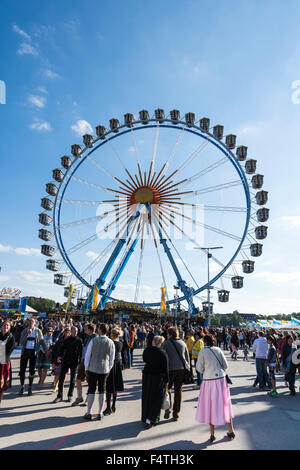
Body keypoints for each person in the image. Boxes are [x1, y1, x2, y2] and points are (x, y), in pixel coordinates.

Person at [195, 334, 235, 443]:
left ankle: (212, 434)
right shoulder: (218, 349)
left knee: (210, 406)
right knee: (225, 404)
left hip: (209, 380)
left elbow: (199, 368)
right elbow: (225, 365)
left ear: (205, 342)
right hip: (221, 380)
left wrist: (205, 369)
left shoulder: (203, 351)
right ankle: (231, 430)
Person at [83, 323, 115, 420]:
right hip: (104, 369)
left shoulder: (94, 340)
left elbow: (88, 355)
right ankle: (100, 413)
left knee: (91, 389)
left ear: (100, 330)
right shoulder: (111, 342)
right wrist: (108, 368)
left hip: (92, 368)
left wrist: (86, 367)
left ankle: (89, 412)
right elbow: (111, 358)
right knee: (102, 390)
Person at [161, 326, 190, 422]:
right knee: (178, 390)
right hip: (181, 369)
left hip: (169, 369)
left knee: (168, 389)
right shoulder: (182, 343)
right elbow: (187, 358)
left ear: (169, 334)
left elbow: (163, 356)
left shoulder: (166, 343)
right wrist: (188, 369)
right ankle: (176, 413)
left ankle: (168, 408)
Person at [142, 335, 169, 429]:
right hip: (158, 377)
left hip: (147, 375)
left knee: (147, 396)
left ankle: (145, 417)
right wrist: (167, 381)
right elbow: (166, 368)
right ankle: (151, 419)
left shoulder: (147, 350)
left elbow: (144, 359)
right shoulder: (163, 353)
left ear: (153, 341)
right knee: (156, 398)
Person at [53, 326, 83, 403]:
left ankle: (70, 395)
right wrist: (59, 356)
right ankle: (59, 395)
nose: (75, 332)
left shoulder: (79, 340)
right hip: (65, 360)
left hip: (74, 362)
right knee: (61, 378)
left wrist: (79, 362)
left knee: (72, 380)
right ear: (71, 331)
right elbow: (62, 349)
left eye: (76, 331)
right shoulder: (67, 340)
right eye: (74, 331)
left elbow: (81, 352)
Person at [19, 318, 47, 396]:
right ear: (28, 323)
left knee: (31, 371)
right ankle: (22, 387)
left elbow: (42, 341)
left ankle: (30, 388)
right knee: (22, 370)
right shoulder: (25, 331)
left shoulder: (38, 331)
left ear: (35, 323)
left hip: (33, 352)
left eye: (32, 322)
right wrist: (27, 335)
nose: (31, 323)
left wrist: (46, 350)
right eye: (30, 322)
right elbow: (21, 342)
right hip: (25, 352)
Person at [72, 323, 97, 407]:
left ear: (90, 330)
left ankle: (87, 399)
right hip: (84, 361)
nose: (84, 330)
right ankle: (80, 397)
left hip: (90, 362)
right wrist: (81, 361)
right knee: (78, 379)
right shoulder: (87, 337)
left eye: (86, 329)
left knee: (90, 381)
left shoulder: (95, 338)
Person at [103, 327, 124, 416]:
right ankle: (113, 405)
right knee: (115, 387)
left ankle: (108, 407)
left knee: (109, 387)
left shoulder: (111, 343)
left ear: (112, 334)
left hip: (111, 365)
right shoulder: (120, 343)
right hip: (118, 365)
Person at [0, 320, 15, 406]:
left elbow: (9, 351)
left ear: (9, 327)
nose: (5, 327)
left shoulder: (11, 337)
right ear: (1, 326)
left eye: (7, 325)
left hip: (4, 363)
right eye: (4, 325)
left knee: (1, 386)